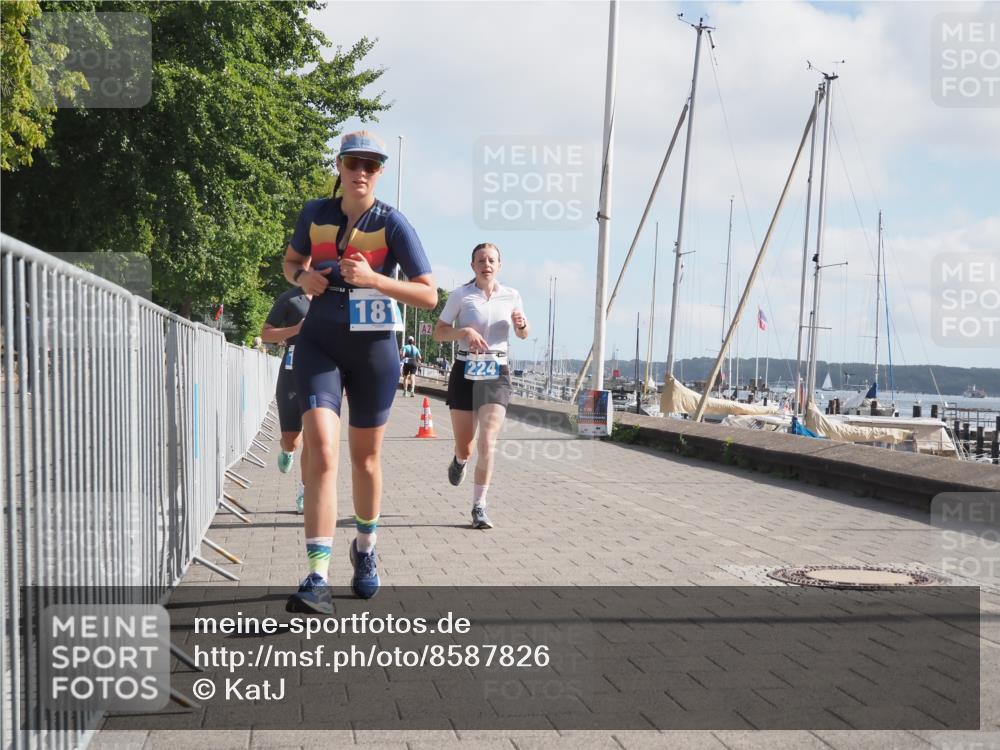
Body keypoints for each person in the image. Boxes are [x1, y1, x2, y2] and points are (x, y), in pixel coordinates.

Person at [282, 131, 436, 614]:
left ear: (380, 171)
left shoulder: (393, 224)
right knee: (323, 452)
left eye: (371, 164)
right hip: (319, 344)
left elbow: (429, 295)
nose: (361, 171)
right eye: (354, 162)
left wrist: (374, 280)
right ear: (340, 164)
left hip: (373, 353)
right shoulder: (315, 214)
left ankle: (365, 551)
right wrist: (301, 276)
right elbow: (291, 263)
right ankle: (316, 576)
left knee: (365, 460)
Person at [433, 243, 529, 530]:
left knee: (488, 442)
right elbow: (439, 333)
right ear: (472, 265)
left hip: (496, 371)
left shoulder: (512, 295)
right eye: (481, 260)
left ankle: (479, 507)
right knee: (466, 446)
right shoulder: (461, 295)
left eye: (491, 260)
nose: (486, 264)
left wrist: (522, 325)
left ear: (499, 264)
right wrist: (463, 331)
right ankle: (459, 461)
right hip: (465, 368)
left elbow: (524, 334)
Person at [260, 285, 311, 513]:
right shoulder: (289, 298)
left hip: (322, 375)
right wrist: (295, 329)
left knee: (314, 439)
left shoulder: (334, 295)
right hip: (291, 371)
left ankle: (305, 492)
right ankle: (287, 449)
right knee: (293, 439)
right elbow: (266, 333)